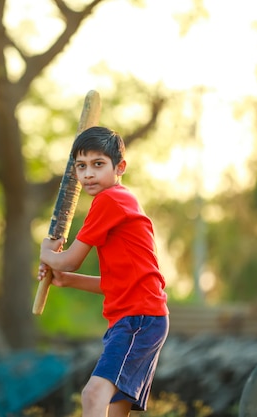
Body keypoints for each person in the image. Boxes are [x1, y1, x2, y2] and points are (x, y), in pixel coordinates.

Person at [38, 126, 169, 417]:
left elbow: (69, 259)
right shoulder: (119, 201)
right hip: (138, 316)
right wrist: (66, 279)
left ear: (119, 166)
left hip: (138, 317)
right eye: (81, 167)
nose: (88, 174)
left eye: (98, 164)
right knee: (115, 409)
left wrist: (47, 252)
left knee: (94, 394)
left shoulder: (110, 200)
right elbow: (115, 282)